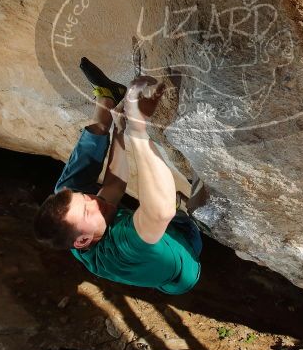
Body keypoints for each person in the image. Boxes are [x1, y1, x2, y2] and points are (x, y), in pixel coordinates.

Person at [33, 58, 201, 295]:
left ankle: (108, 97)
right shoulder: (122, 247)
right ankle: (192, 211)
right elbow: (162, 212)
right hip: (184, 256)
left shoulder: (84, 225)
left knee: (65, 190)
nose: (93, 199)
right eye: (87, 210)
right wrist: (138, 130)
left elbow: (113, 186)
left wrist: (121, 129)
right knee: (174, 210)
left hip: (142, 229)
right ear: (82, 242)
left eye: (86, 197)